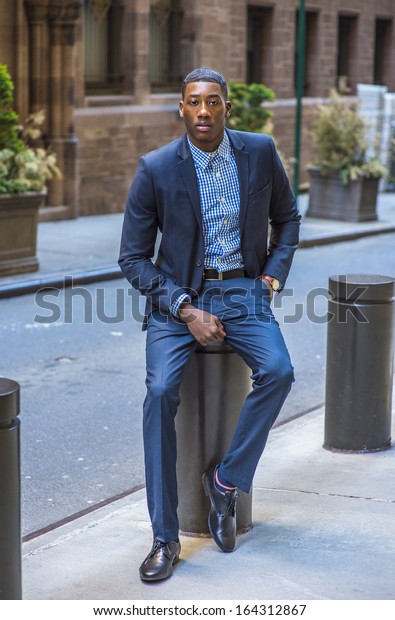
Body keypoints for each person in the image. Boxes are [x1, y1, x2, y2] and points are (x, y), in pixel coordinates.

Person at [119, 67, 301, 582]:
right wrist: (184, 308)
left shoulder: (260, 151)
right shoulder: (155, 168)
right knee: (159, 392)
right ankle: (164, 538)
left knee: (280, 371)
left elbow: (288, 217)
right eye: (194, 102)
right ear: (181, 108)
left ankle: (225, 482)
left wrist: (271, 277)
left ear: (227, 108)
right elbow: (133, 258)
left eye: (213, 102)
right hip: (178, 298)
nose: (204, 111)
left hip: (244, 288)